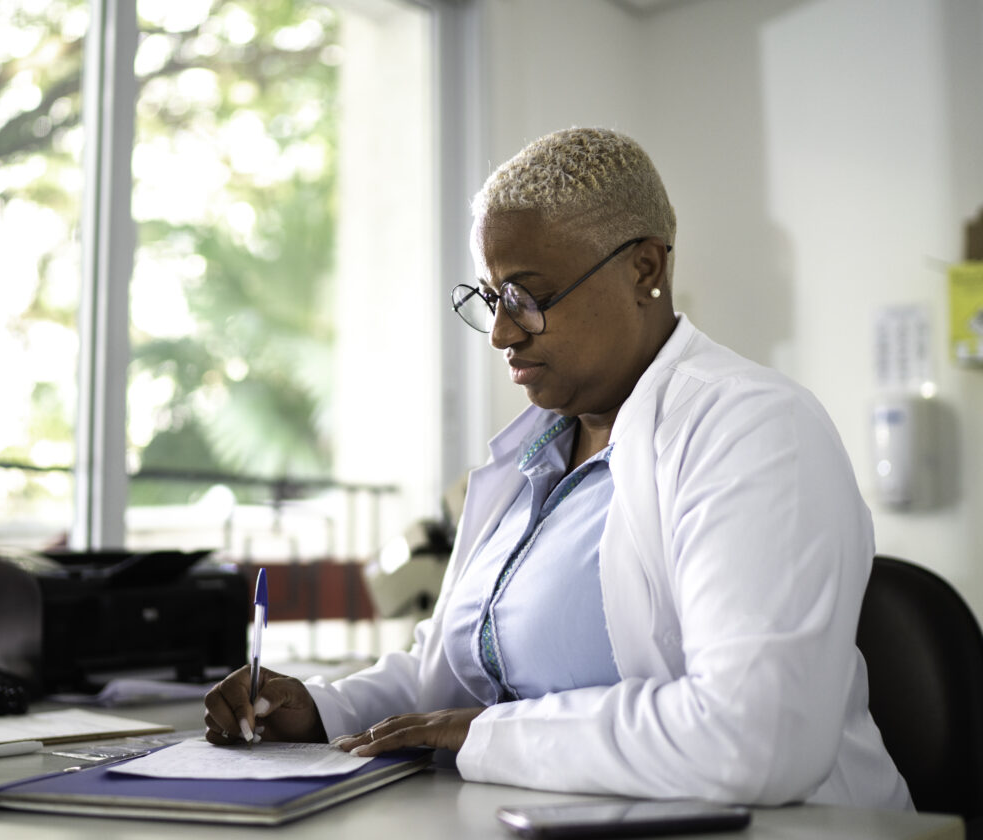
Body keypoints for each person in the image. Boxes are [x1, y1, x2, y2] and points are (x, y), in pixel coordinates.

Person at [204, 127, 912, 809]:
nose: (504, 333)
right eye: (491, 298)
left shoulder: (753, 428)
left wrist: (486, 735)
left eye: (527, 296)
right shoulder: (534, 454)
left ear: (646, 270)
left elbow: (758, 738)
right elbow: (448, 678)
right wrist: (321, 709)